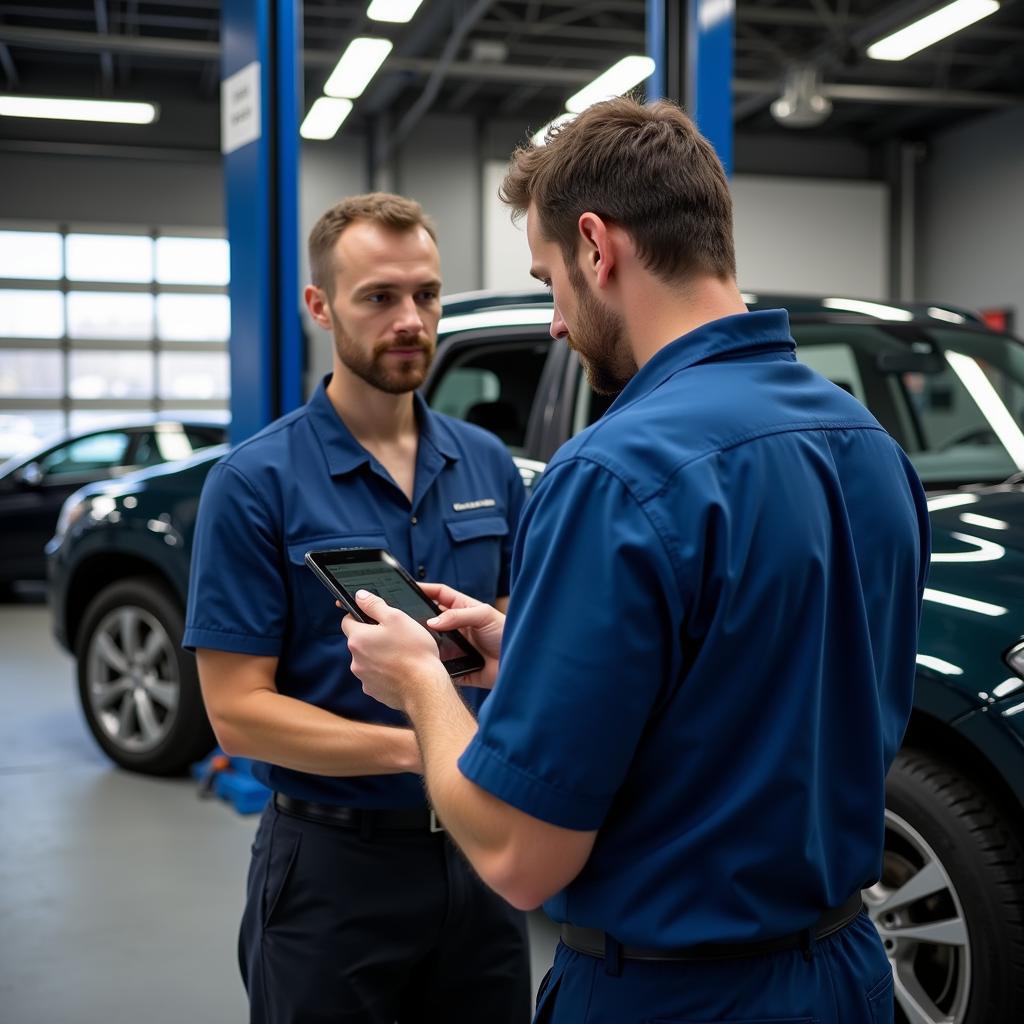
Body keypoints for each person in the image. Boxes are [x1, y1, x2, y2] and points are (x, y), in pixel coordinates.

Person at [341, 100, 930, 1024]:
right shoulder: (870, 447)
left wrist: (423, 685)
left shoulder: (614, 473)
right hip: (850, 975)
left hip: (671, 996)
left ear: (596, 246)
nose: (554, 325)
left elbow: (517, 856)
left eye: (548, 282)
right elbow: (757, 686)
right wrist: (527, 650)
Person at [183, 192, 531, 1024]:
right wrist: (427, 750)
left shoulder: (487, 464)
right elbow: (237, 716)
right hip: (333, 871)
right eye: (379, 297)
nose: (410, 319)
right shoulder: (254, 483)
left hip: (484, 868)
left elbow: (517, 638)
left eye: (427, 295)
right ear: (320, 306)